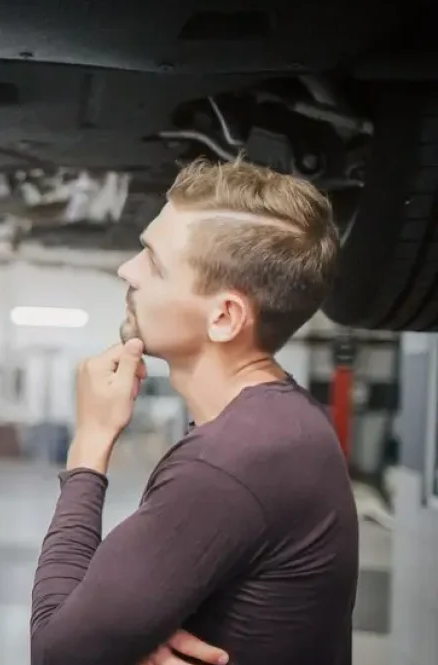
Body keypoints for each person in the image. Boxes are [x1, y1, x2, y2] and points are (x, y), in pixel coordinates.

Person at [29, 157, 359, 665]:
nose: (127, 270)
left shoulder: (229, 462)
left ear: (225, 316)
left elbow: (57, 654)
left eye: (153, 262)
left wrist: (90, 444)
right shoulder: (284, 422)